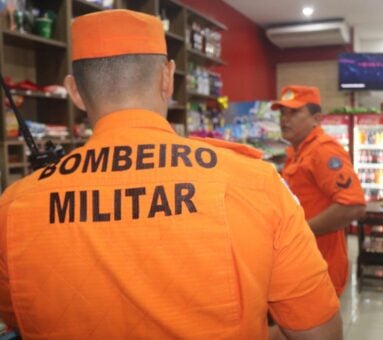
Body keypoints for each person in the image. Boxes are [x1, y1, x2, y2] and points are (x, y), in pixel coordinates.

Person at [0, 10, 343, 339]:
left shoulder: (14, 208)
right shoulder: (254, 183)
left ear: (74, 91)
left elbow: (21, 318)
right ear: (167, 78)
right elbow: (319, 331)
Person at [273, 85, 366, 296]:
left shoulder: (323, 150)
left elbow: (353, 206)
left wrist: (299, 232)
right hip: (300, 263)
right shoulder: (296, 152)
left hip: (319, 266)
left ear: (317, 118)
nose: (285, 119)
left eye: (294, 112)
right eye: (282, 113)